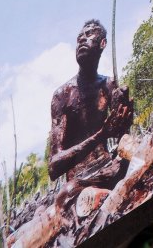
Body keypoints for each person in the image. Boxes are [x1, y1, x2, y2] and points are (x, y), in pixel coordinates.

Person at [48, 20, 134, 189]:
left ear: (103, 43)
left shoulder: (109, 85)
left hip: (109, 167)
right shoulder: (62, 95)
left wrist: (125, 120)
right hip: (78, 183)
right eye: (79, 37)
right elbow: (53, 168)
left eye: (88, 35)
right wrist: (102, 134)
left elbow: (122, 135)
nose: (81, 40)